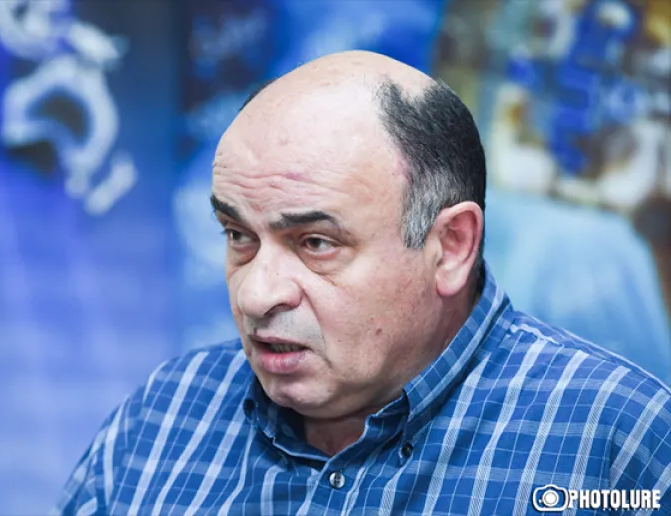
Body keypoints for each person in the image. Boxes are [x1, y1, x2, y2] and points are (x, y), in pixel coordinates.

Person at [52, 50, 671, 515]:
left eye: (315, 244)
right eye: (238, 235)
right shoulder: (162, 417)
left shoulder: (616, 441)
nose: (256, 294)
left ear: (451, 247)